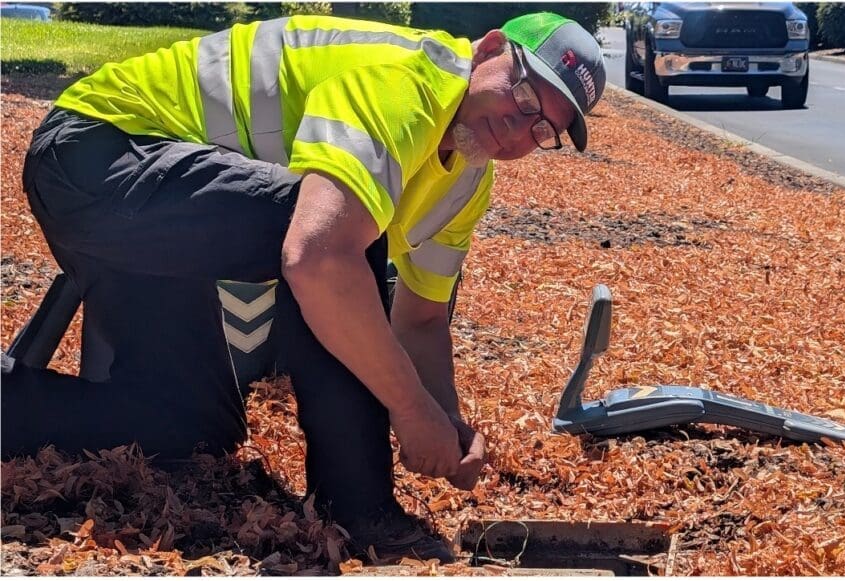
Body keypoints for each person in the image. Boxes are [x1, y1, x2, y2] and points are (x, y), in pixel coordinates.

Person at [1, 11, 605, 563]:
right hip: (96, 154)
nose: (520, 130)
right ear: (490, 49)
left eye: (544, 129)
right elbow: (317, 259)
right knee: (341, 231)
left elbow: (421, 320)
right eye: (524, 95)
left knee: (187, 427)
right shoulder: (408, 82)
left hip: (159, 225)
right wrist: (409, 408)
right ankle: (360, 510)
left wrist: (443, 423)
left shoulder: (466, 183)